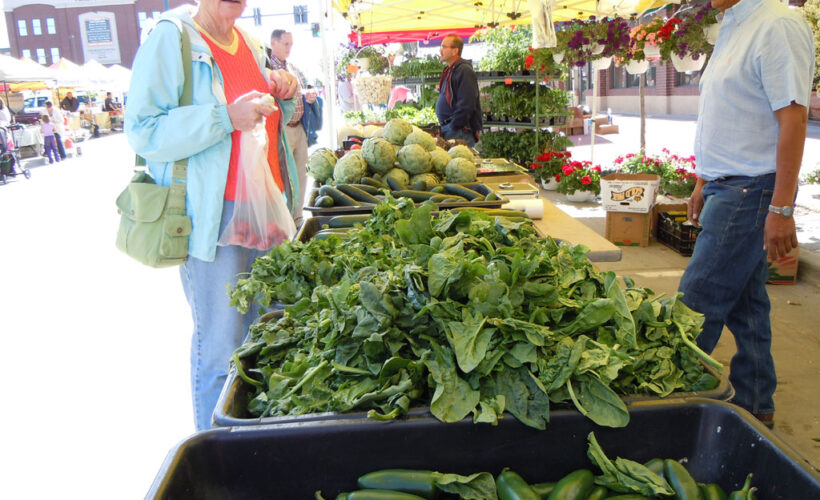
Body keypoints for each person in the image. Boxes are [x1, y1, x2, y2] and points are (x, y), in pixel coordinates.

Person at [125, 0, 300, 431]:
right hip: (212, 217)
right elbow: (143, 129)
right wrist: (224, 117)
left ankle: (257, 444)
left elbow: (280, 120)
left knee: (266, 340)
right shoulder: (173, 38)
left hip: (264, 212)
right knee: (222, 346)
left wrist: (289, 88)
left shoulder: (251, 43)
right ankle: (218, 458)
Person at [677, 0, 814, 429]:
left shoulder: (778, 24)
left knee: (694, 306)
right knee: (747, 306)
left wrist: (781, 207)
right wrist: (702, 181)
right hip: (726, 186)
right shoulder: (734, 26)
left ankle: (667, 403)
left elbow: (793, 118)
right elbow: (726, 115)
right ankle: (757, 403)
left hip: (750, 190)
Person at [270, 29, 316, 226]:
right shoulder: (268, 67)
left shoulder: (292, 67)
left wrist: (308, 96)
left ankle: (297, 218)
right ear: (274, 43)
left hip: (300, 128)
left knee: (300, 174)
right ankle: (286, 221)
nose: (289, 48)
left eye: (291, 44)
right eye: (285, 44)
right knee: (286, 176)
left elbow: (299, 91)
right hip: (283, 129)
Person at [435, 34, 482, 147]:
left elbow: (467, 102)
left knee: (460, 162)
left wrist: (455, 125)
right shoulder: (450, 70)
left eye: (444, 47)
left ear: (455, 51)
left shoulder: (464, 70)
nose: (440, 50)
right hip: (450, 128)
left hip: (458, 131)